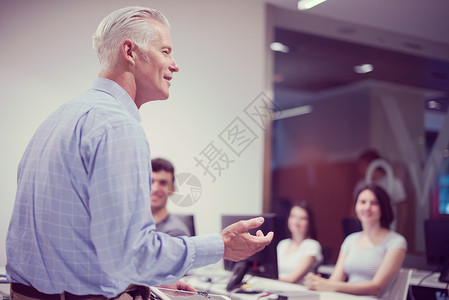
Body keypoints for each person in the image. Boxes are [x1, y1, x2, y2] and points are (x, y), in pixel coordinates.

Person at [5, 6, 273, 300]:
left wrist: (137, 283)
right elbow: (135, 254)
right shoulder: (118, 127)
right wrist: (221, 244)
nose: (175, 65)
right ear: (130, 52)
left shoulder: (58, 119)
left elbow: (81, 249)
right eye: (166, 51)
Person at [304, 184, 407, 299]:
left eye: (374, 203)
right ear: (356, 207)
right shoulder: (350, 240)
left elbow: (375, 288)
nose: (367, 207)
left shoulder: (396, 242)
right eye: (362, 202)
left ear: (383, 207)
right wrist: (317, 282)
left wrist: (330, 285)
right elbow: (335, 280)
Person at [352, 149, 407, 235]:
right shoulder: (360, 185)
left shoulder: (394, 184)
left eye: (362, 165)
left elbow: (403, 210)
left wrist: (400, 232)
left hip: (390, 228)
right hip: (365, 232)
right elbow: (352, 209)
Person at [277, 201, 322, 284]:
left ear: (309, 222)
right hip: (275, 288)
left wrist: (266, 278)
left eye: (302, 218)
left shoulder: (311, 245)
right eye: (293, 216)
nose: (296, 222)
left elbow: (292, 280)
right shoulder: (282, 244)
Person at [151, 157, 191, 237]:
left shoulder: (176, 233)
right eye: (151, 181)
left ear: (172, 189)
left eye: (163, 183)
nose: (155, 189)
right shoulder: (134, 225)